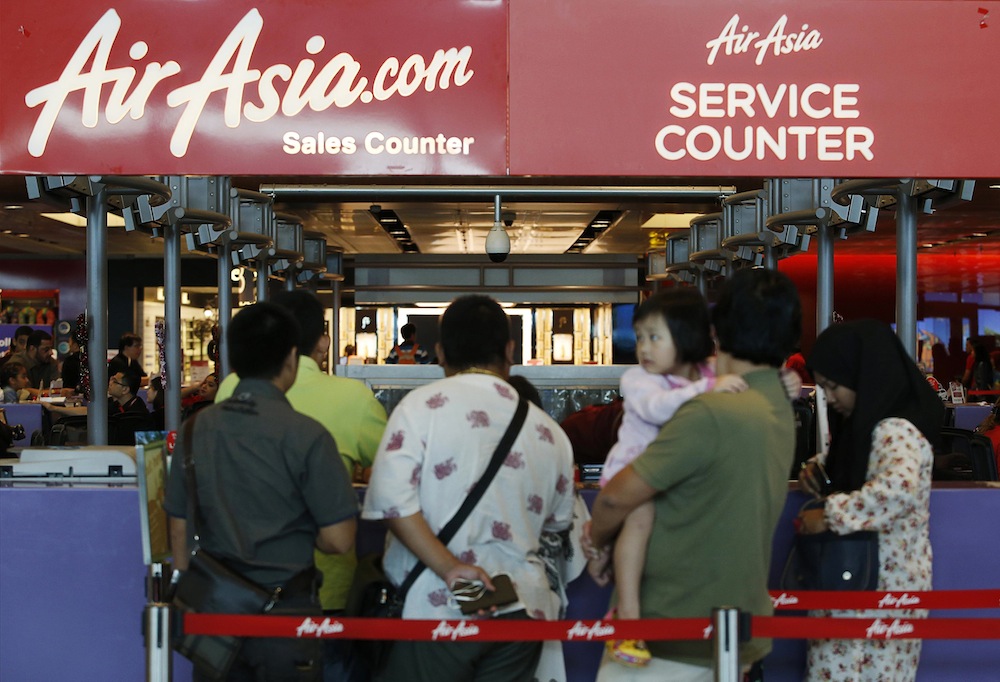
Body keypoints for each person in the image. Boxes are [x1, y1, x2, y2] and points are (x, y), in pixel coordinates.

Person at [585, 268, 802, 682]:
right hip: (734, 624)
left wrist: (597, 545)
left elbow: (618, 497)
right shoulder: (774, 401)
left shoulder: (712, 410)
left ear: (717, 330)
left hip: (673, 628)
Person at [362, 294, 576, 682]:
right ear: (510, 350)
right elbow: (559, 525)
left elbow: (391, 504)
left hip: (435, 610)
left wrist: (452, 570)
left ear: (440, 352)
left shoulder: (418, 408)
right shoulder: (549, 431)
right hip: (521, 612)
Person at [165, 301, 359, 682]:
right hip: (285, 617)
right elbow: (339, 540)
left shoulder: (193, 431)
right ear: (291, 358)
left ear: (233, 359)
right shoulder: (308, 435)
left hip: (215, 614)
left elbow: (178, 531)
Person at [214, 290, 387, 682]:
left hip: (234, 590)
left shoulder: (229, 391)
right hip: (322, 590)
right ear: (320, 341)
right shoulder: (353, 398)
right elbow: (395, 467)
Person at [594, 288, 750, 668]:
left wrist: (786, 382)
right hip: (631, 470)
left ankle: (605, 562)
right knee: (640, 516)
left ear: (686, 336)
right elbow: (657, 409)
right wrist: (708, 388)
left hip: (668, 475)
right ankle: (627, 619)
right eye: (640, 337)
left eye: (654, 337)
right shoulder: (638, 380)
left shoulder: (708, 373)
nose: (643, 348)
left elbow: (746, 376)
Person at [798, 319, 942, 682]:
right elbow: (862, 470)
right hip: (862, 585)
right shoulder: (872, 425)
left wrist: (829, 514)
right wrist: (820, 470)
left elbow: (897, 490)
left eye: (833, 386)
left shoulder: (895, 429)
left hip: (877, 592)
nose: (829, 398)